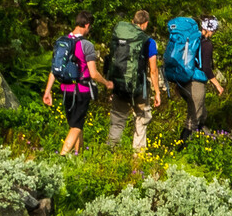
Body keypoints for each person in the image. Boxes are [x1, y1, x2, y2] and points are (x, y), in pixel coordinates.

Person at [40, 13, 107, 156]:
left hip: (66, 89)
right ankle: (62, 156)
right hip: (82, 90)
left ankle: (79, 155)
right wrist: (107, 83)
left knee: (76, 123)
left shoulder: (62, 41)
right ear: (87, 25)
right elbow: (93, 74)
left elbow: (55, 68)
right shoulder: (86, 45)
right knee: (76, 126)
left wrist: (48, 91)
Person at [103, 10, 164, 154]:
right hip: (139, 89)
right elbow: (153, 70)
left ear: (133, 21)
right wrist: (157, 92)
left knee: (117, 122)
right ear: (146, 23)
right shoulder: (148, 41)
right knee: (141, 122)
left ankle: (110, 155)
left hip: (119, 85)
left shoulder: (119, 36)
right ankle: (137, 160)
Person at [161, 13, 210, 135]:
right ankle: (182, 148)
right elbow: (207, 68)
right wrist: (218, 85)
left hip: (183, 80)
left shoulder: (190, 39)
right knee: (193, 119)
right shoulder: (205, 43)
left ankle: (207, 140)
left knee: (201, 114)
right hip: (195, 83)